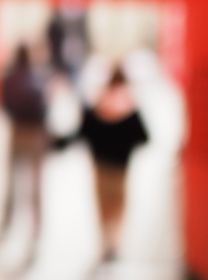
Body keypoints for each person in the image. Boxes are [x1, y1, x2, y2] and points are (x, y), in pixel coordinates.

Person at [55, 64, 148, 262]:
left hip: (100, 165)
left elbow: (83, 131)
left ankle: (106, 241)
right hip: (122, 167)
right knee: (118, 206)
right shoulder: (131, 106)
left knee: (103, 206)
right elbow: (145, 137)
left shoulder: (98, 104)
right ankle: (114, 241)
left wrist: (60, 143)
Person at [0, 43, 48, 240]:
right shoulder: (38, 77)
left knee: (12, 179)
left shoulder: (9, 77)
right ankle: (37, 224)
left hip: (17, 130)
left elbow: (4, 104)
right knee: (35, 182)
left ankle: (8, 220)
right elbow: (44, 108)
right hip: (35, 133)